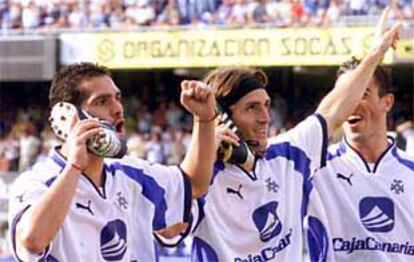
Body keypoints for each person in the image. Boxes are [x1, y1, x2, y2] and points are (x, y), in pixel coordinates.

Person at [187, 8, 401, 261]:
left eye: (266, 105)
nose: (266, 117)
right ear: (224, 118)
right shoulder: (201, 179)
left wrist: (375, 54)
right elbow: (168, 229)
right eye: (251, 108)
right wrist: (204, 139)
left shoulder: (289, 155)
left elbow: (333, 108)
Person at [8, 62, 217, 261]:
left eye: (117, 98)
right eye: (102, 101)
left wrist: (204, 120)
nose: (117, 109)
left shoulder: (132, 173)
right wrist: (74, 166)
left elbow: (195, 184)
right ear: (66, 116)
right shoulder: (35, 182)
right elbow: (32, 240)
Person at [305, 60, 414, 261]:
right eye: (344, 96)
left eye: (361, 94)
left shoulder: (410, 173)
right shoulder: (313, 169)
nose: (350, 104)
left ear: (387, 102)